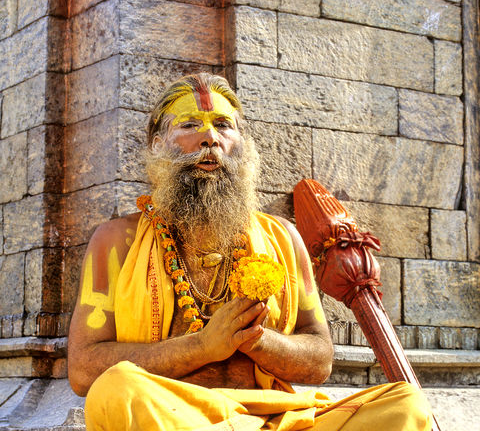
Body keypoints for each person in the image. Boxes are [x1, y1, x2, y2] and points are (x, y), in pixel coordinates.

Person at [68, 73, 432, 430]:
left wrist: (255, 338)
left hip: (277, 417)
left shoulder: (282, 237)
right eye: (190, 124)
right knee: (116, 392)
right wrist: (202, 346)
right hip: (179, 415)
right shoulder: (118, 241)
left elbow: (320, 361)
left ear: (241, 144)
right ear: (157, 145)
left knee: (405, 404)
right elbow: (83, 369)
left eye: (224, 125)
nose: (210, 137)